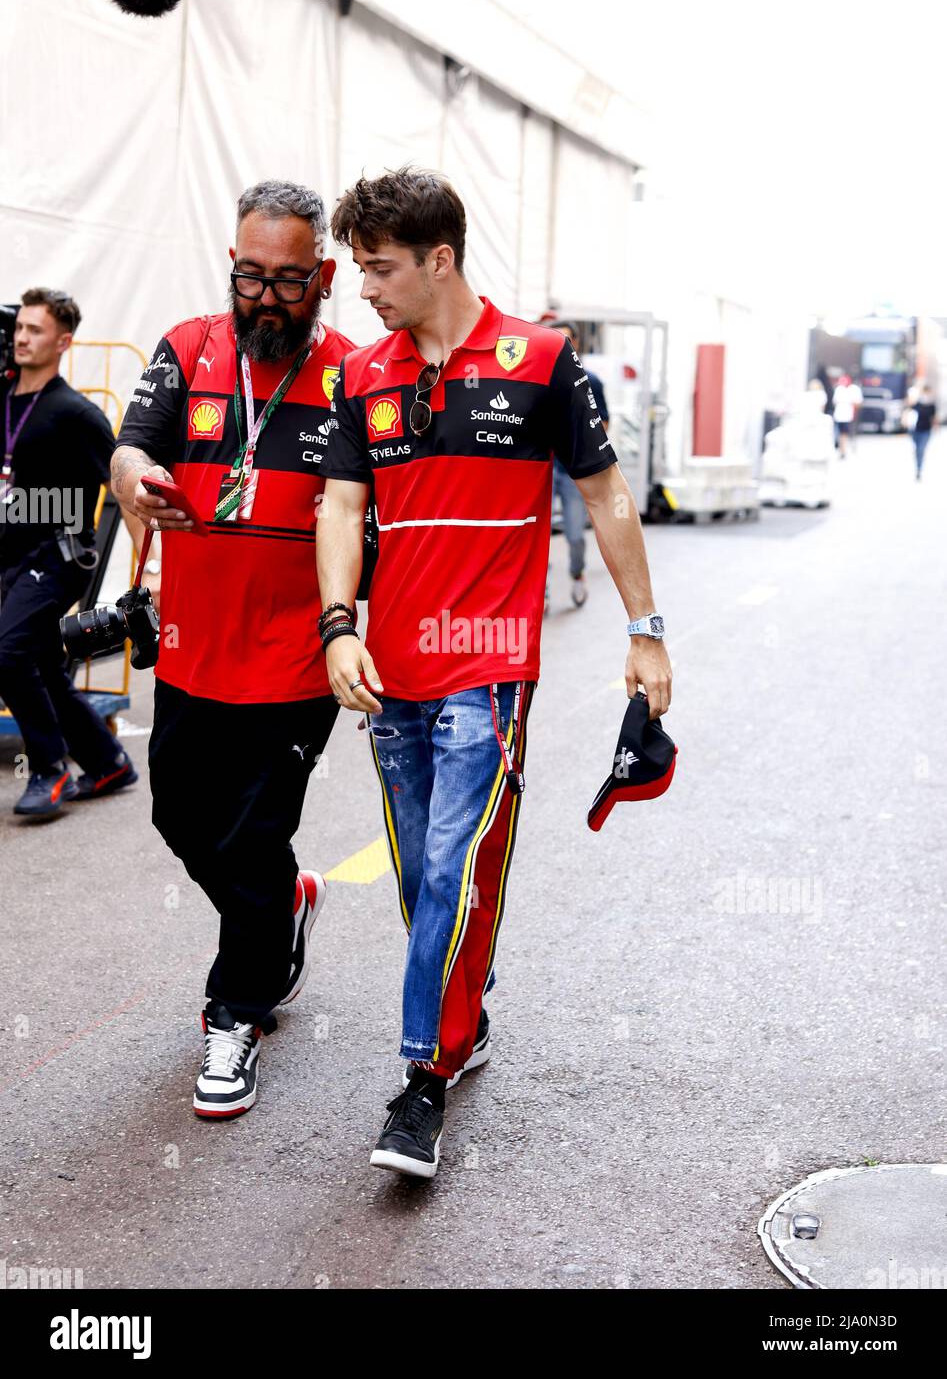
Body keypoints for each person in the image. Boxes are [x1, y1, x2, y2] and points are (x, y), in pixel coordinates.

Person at [317, 167, 672, 1179]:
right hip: (391, 674)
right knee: (421, 873)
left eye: (378, 268)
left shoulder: (545, 361)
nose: (365, 289)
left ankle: (421, 1081)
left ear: (439, 259)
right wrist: (339, 626)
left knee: (449, 867)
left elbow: (604, 500)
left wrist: (644, 631)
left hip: (489, 667)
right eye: (357, 269)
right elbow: (340, 510)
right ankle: (460, 1005)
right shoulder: (364, 375)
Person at [111, 180, 354, 1119]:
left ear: (323, 276)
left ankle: (234, 1016)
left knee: (252, 834)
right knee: (182, 819)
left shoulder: (354, 374)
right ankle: (281, 908)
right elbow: (130, 446)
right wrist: (138, 479)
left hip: (301, 658)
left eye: (288, 282)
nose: (263, 298)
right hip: (192, 652)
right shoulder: (186, 348)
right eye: (249, 276)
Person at [0, 287, 137, 818]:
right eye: (20, 328)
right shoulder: (5, 398)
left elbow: (122, 479)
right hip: (12, 556)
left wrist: (151, 566)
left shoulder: (76, 412)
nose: (22, 337)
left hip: (57, 559)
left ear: (63, 342)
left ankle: (48, 767)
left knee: (7, 652)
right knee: (39, 663)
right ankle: (108, 762)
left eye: (35, 330)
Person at [543, 317, 610, 610]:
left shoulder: (590, 381)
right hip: (539, 471)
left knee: (573, 535)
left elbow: (603, 423)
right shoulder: (535, 377)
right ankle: (540, 590)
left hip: (571, 472)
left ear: (575, 344)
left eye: (565, 339)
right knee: (536, 537)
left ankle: (577, 573)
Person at [906, 382, 937, 480]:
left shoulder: (932, 405)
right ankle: (917, 459)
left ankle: (919, 469)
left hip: (926, 431)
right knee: (917, 449)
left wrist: (936, 427)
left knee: (921, 449)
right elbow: (908, 409)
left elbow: (934, 418)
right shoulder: (917, 404)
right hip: (915, 430)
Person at [831, 374, 862, 457]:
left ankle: (844, 449)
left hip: (849, 416)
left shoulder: (854, 389)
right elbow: (835, 402)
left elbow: (858, 403)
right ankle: (842, 449)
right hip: (839, 415)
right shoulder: (839, 389)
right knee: (841, 433)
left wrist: (850, 402)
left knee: (846, 433)